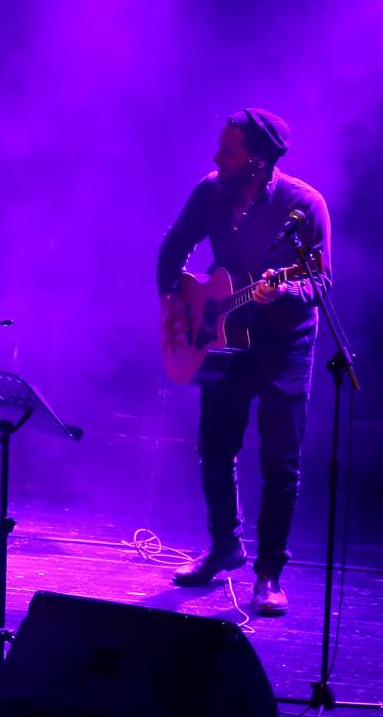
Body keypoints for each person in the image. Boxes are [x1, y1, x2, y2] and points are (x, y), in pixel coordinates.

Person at [157, 108, 331, 618]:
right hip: (222, 340)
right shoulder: (211, 191)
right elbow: (173, 246)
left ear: (258, 160)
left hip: (284, 345)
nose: (217, 157)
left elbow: (319, 280)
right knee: (215, 446)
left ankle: (269, 573)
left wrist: (282, 292)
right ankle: (223, 546)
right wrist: (175, 305)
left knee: (280, 461)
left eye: (229, 151)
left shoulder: (303, 204)